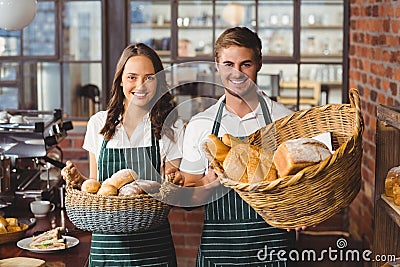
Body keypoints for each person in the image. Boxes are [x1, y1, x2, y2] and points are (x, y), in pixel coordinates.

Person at [178, 27, 296, 266]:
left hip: (274, 254)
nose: (237, 73)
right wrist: (207, 183)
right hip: (218, 254)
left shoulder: (285, 120)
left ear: (259, 63)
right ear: (216, 65)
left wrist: (299, 208)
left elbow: (301, 183)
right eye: (228, 64)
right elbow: (187, 198)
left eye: (246, 64)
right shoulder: (201, 125)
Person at [61, 43, 184, 267]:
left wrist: (174, 183)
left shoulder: (171, 126)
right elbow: (97, 185)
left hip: (153, 247)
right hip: (106, 247)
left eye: (149, 78)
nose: (140, 85)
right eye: (132, 77)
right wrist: (79, 181)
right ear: (120, 80)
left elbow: (171, 192)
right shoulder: (99, 123)